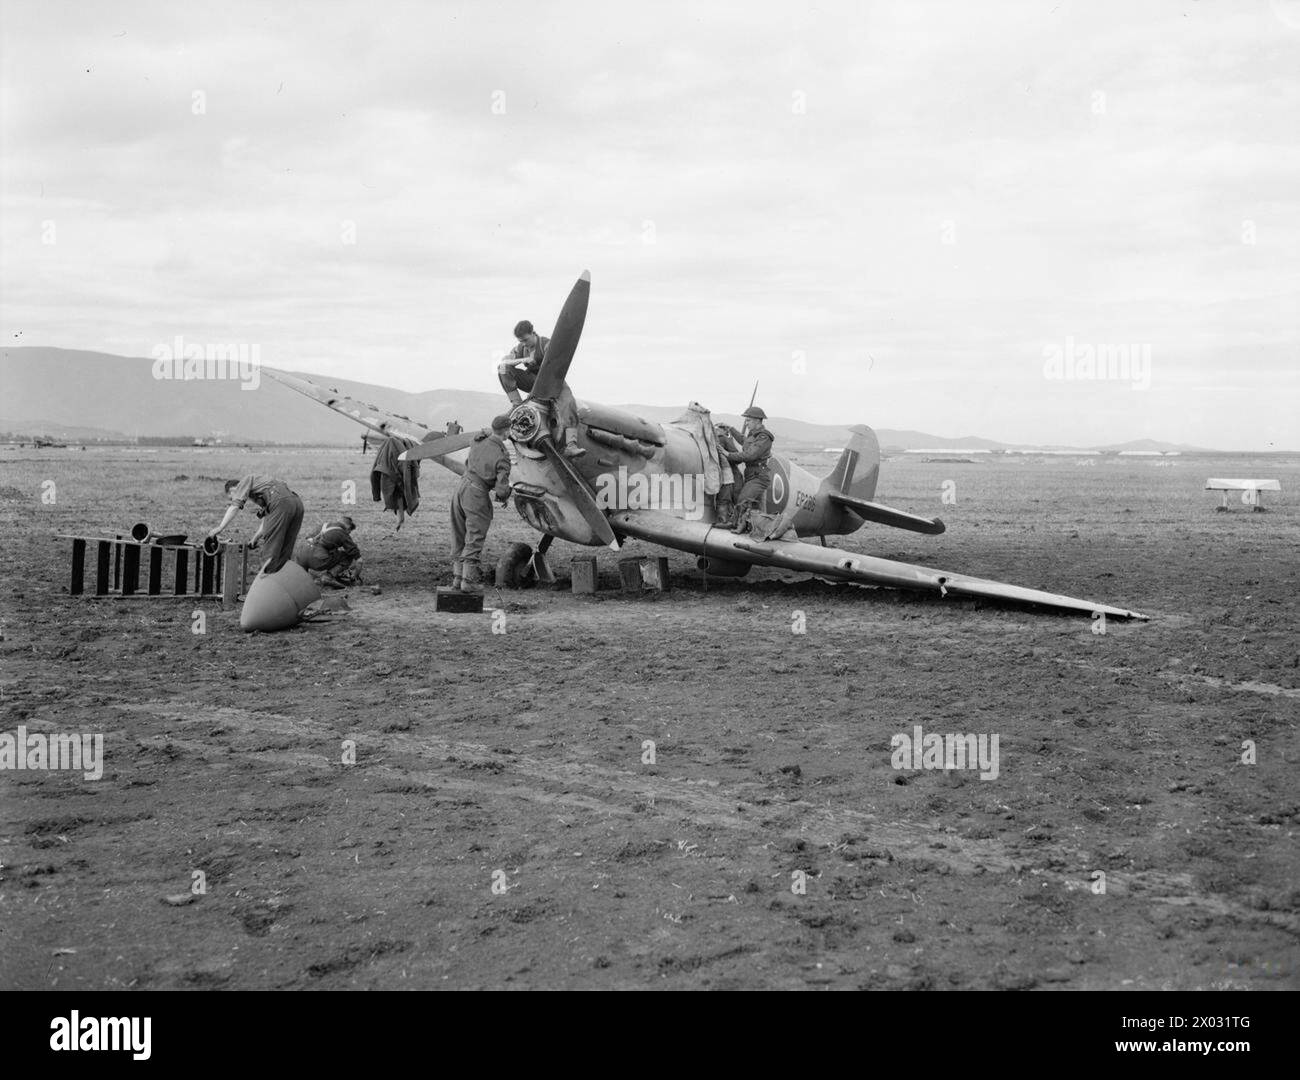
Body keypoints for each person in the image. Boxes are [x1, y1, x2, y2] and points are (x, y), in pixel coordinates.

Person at [497, 319, 585, 458]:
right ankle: (517, 404)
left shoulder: (546, 344)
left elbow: (555, 363)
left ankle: (571, 445)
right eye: (521, 341)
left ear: (533, 333)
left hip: (553, 381)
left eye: (526, 339)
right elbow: (504, 362)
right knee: (503, 369)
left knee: (568, 403)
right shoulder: (521, 348)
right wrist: (523, 360)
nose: (524, 343)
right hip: (533, 381)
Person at [450, 414, 513, 593]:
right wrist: (506, 494)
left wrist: (485, 431)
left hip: (461, 487)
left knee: (459, 534)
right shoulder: (503, 457)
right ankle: (468, 581)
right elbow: (501, 490)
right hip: (476, 493)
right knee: (475, 536)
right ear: (507, 432)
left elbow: (475, 438)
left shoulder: (477, 441)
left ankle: (457, 579)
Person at [208, 475, 305, 574]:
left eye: (231, 497)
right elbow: (269, 517)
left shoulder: (244, 482)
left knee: (271, 548)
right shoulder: (261, 487)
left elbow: (234, 507)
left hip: (281, 502)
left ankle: (266, 580)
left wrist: (220, 528)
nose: (234, 498)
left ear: (233, 490)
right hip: (297, 503)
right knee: (284, 550)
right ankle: (281, 580)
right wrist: (255, 538)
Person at [719, 406, 774, 534]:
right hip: (752, 475)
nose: (746, 423)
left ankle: (738, 525)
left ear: (757, 421)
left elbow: (750, 455)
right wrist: (731, 429)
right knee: (758, 509)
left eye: (748, 421)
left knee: (743, 499)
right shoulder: (754, 436)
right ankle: (759, 530)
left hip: (759, 476)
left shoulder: (764, 437)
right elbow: (744, 441)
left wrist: (727, 454)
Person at [294, 516, 362, 587]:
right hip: (316, 558)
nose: (348, 534)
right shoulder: (342, 533)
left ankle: (303, 578)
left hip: (300, 555)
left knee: (325, 552)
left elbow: (309, 538)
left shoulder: (324, 525)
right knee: (347, 556)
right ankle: (328, 577)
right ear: (348, 527)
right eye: (349, 532)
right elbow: (359, 560)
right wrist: (355, 575)